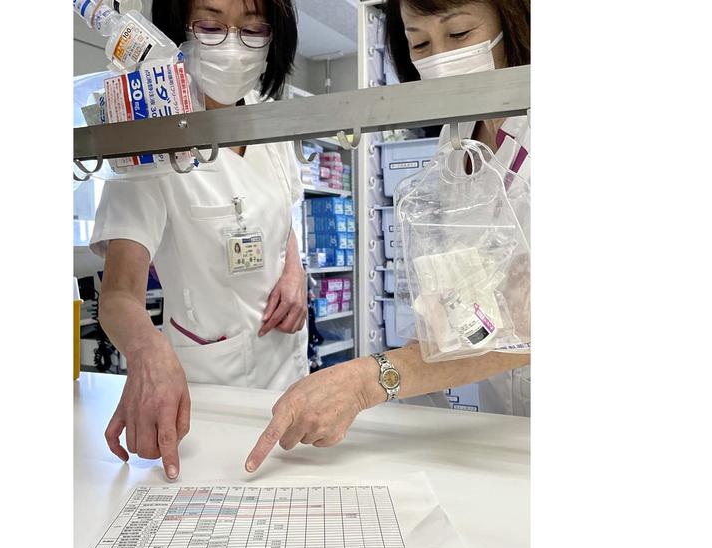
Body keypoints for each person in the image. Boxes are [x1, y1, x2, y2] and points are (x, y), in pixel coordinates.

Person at [245, 0, 531, 474]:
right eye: (419, 42)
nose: (439, 56)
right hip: (505, 413)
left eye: (458, 34)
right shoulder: (458, 133)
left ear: (512, 21)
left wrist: (369, 380)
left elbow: (529, 318)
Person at [90, 0, 308, 479]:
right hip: (208, 390)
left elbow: (281, 210)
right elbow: (119, 294)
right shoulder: (152, 134)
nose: (233, 46)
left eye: (252, 30)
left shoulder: (269, 120)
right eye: (211, 26)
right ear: (175, 33)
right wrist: (147, 351)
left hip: (288, 373)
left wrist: (295, 270)